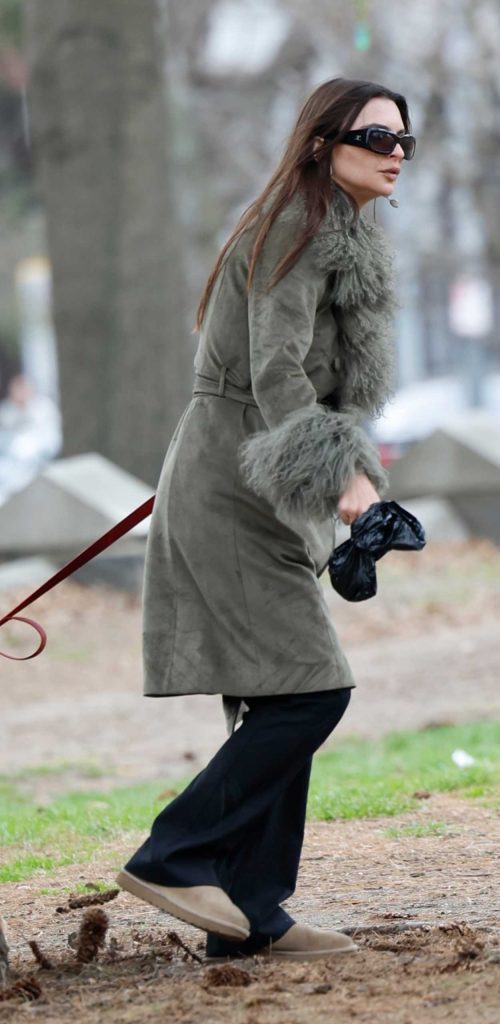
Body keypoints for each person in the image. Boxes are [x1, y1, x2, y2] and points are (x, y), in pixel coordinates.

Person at [117, 77, 415, 961]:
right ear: (324, 141)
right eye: (377, 135)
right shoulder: (299, 220)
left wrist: (339, 484)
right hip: (232, 488)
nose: (397, 152)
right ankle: (174, 856)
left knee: (280, 692)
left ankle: (251, 917)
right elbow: (277, 370)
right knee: (313, 688)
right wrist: (349, 483)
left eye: (407, 139)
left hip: (259, 482)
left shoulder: (336, 227)